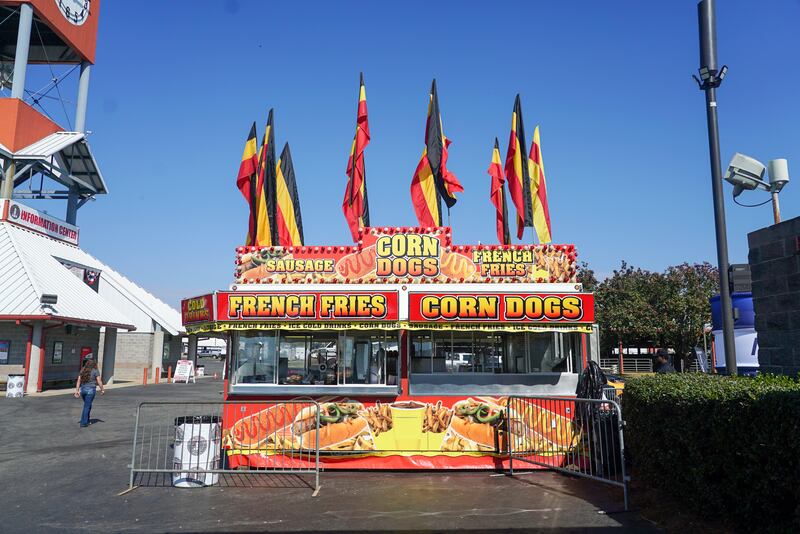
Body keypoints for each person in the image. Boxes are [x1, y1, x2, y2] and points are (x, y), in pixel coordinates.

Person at [74, 358, 104, 427]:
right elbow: (99, 381)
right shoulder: (95, 371)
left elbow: (78, 380)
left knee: (88, 405)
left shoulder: (82, 370)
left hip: (83, 390)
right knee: (87, 406)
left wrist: (77, 390)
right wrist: (102, 389)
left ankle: (87, 420)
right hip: (91, 390)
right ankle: (83, 422)